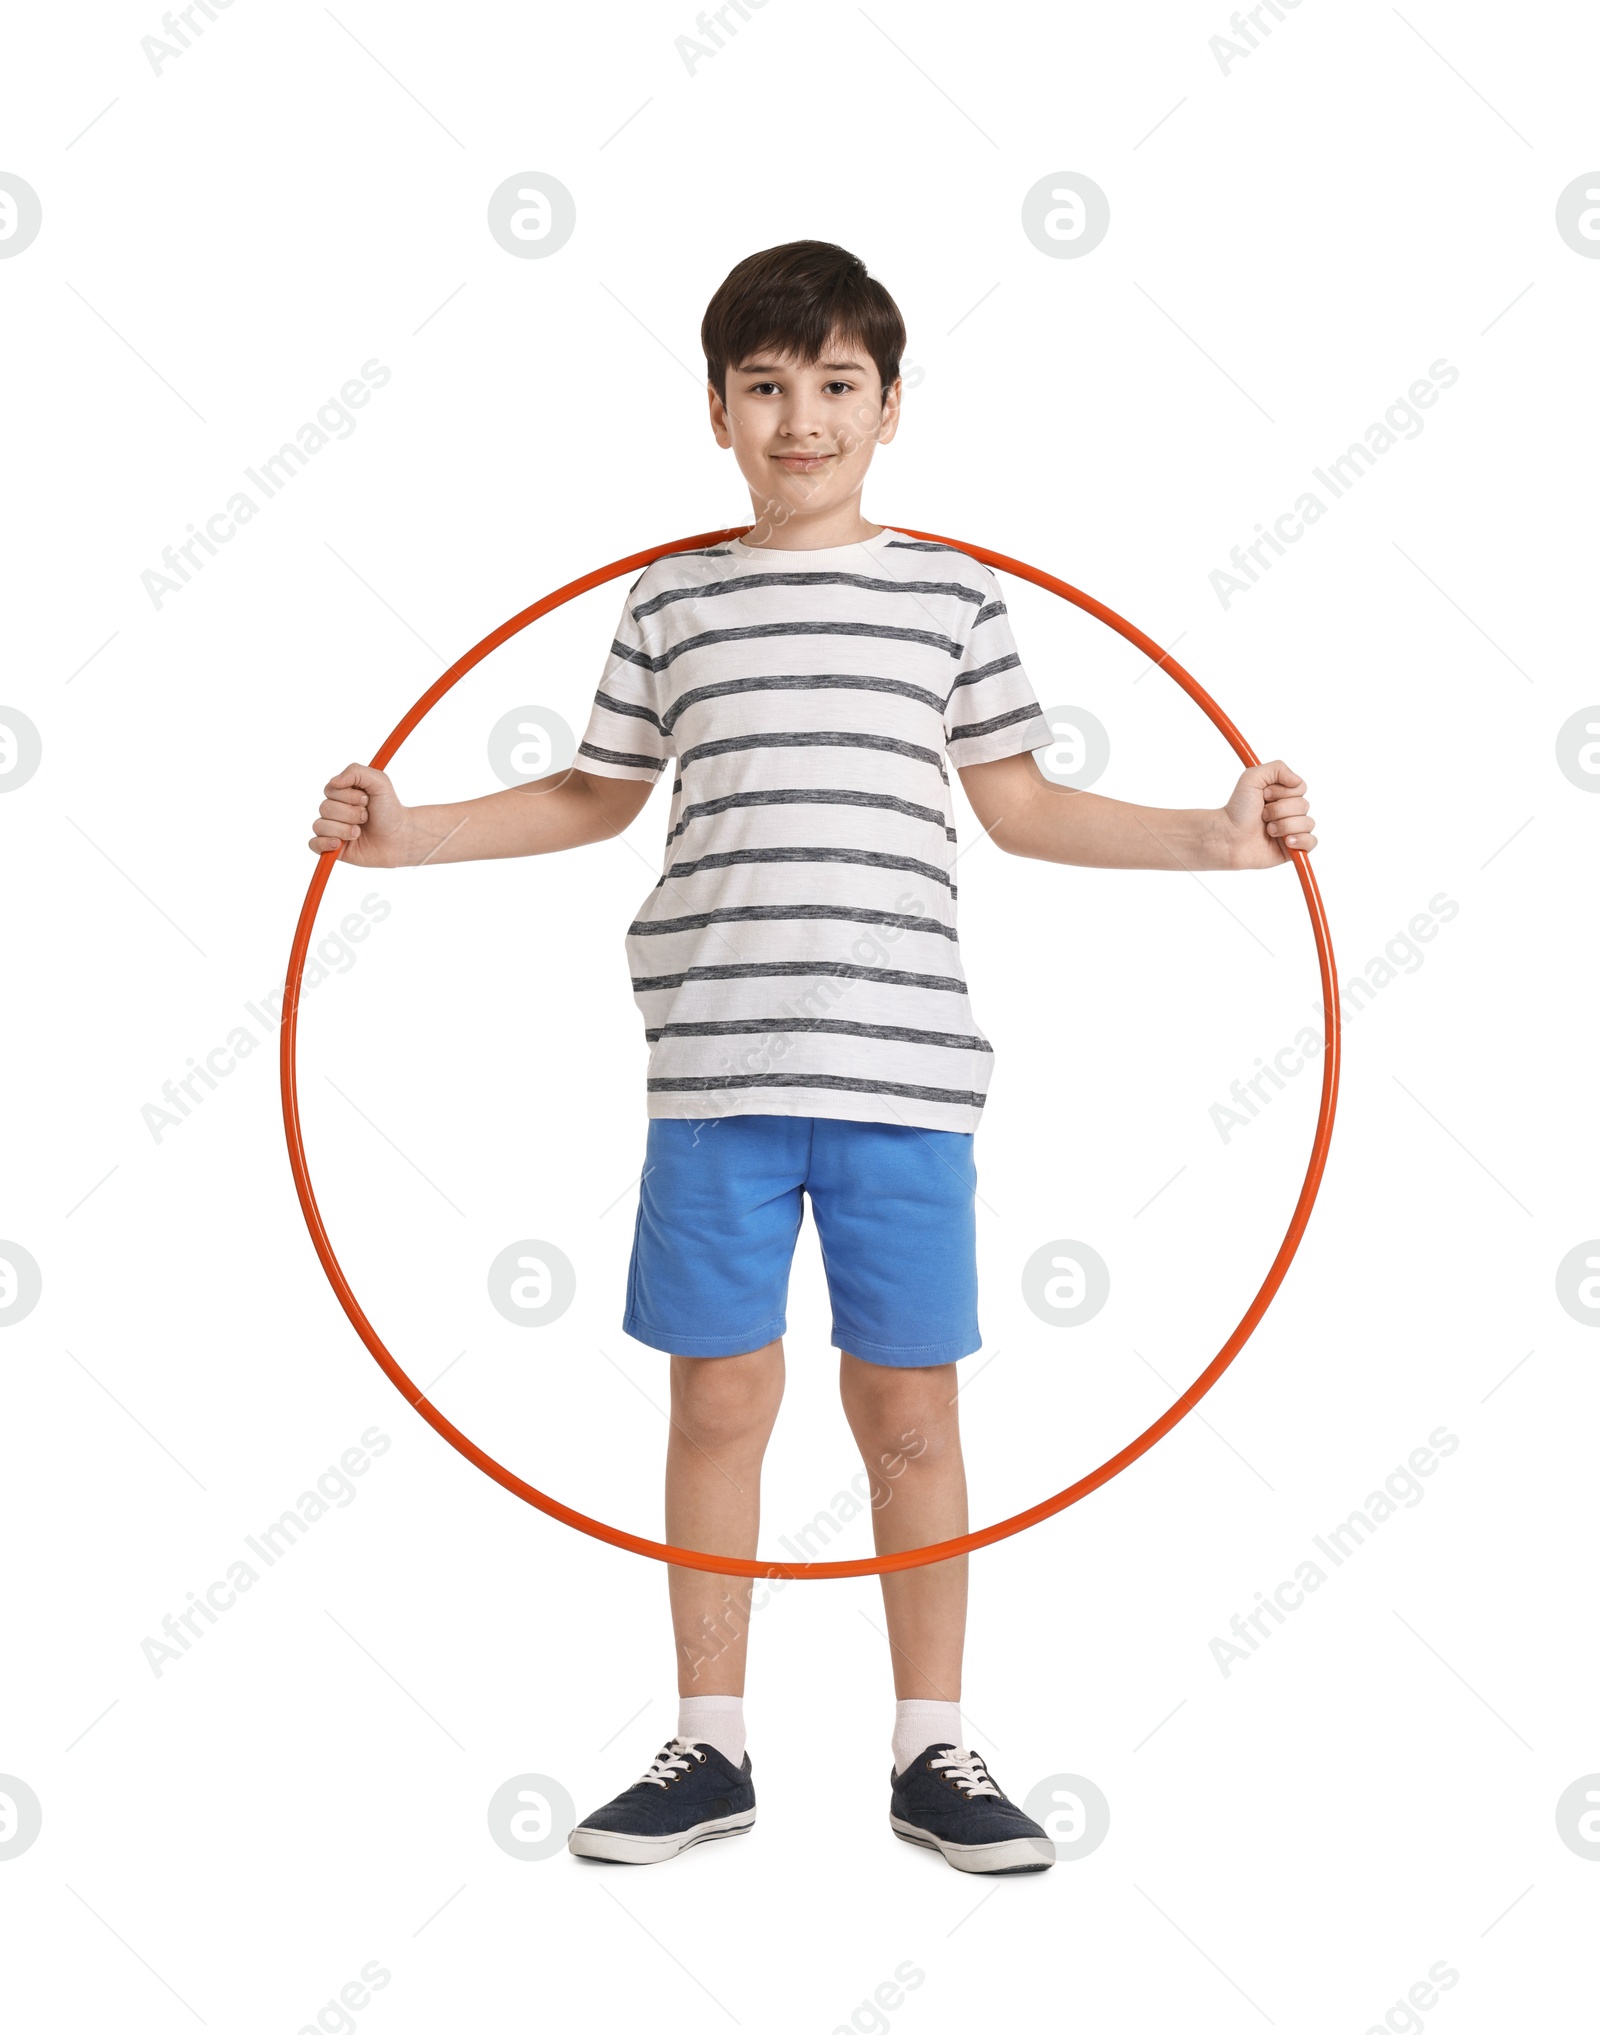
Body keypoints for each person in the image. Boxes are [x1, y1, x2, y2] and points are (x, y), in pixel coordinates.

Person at [307, 239, 1319, 1876]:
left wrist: (1216, 841)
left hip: (906, 1078)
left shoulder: (950, 598)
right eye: (765, 387)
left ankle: (936, 1753)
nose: (801, 419)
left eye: (836, 385)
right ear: (715, 411)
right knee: (718, 1399)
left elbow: (1025, 803)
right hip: (713, 1074)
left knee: (909, 1411)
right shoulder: (673, 598)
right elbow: (592, 796)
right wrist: (407, 840)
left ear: (892, 406)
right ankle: (709, 1747)